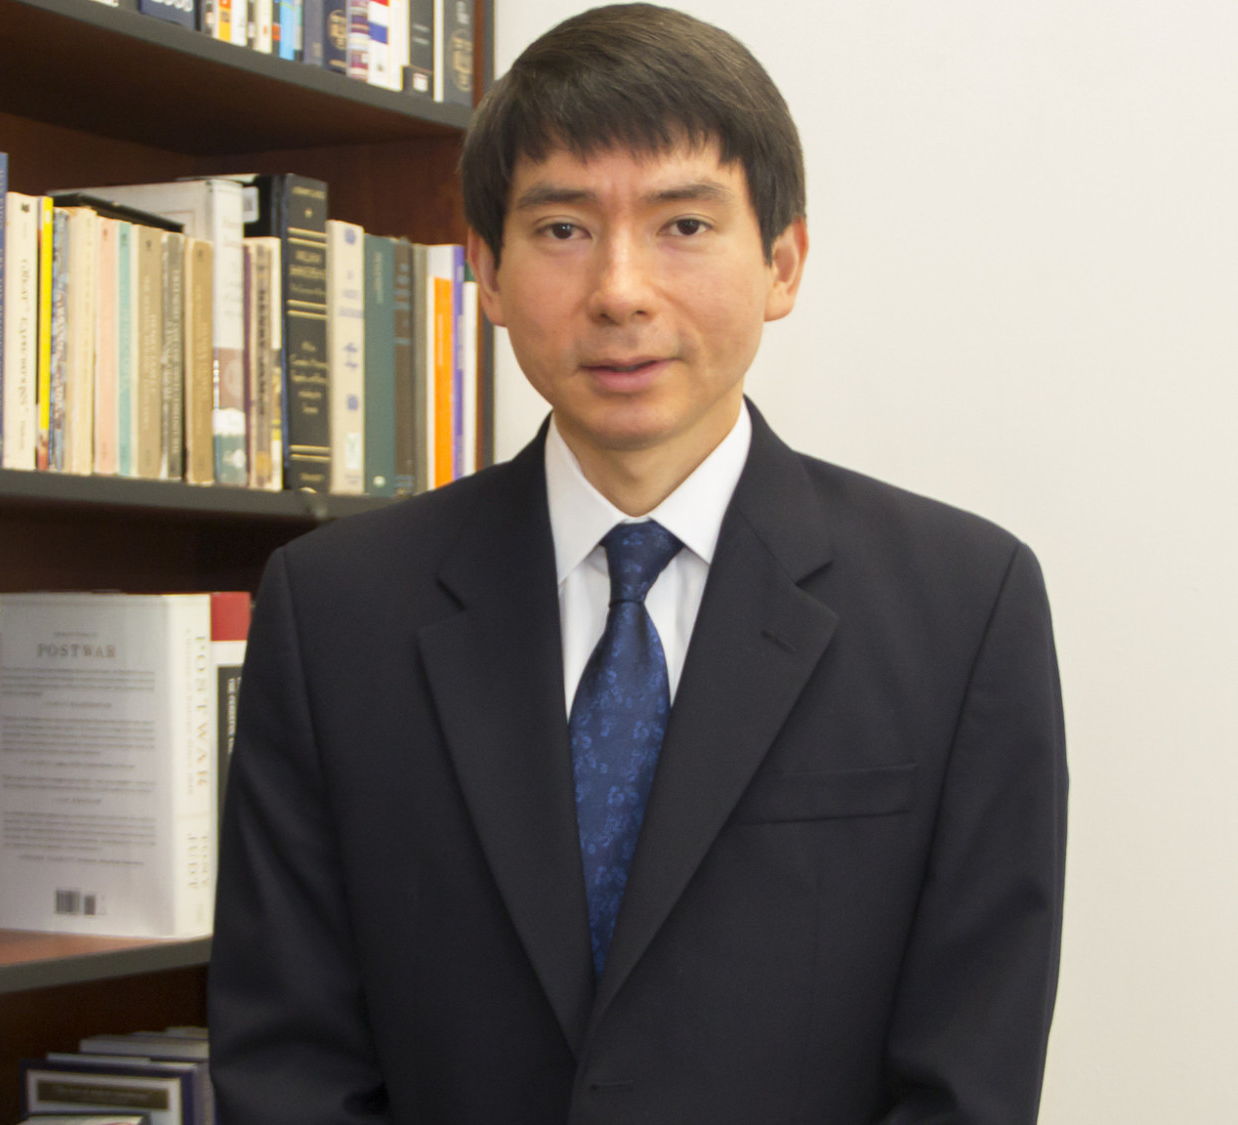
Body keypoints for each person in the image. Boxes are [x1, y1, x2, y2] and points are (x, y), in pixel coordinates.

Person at [208, 6, 1068, 1123]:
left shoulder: (964, 609)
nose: (619, 289)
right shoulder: (333, 610)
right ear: (487, 271)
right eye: (563, 228)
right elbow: (289, 1065)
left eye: (683, 225)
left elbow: (968, 1080)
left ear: (782, 262)